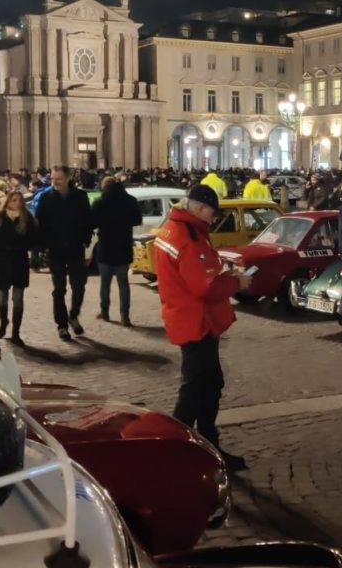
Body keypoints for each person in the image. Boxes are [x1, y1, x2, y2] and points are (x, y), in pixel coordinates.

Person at [154, 184, 252, 471]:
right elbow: (204, 287)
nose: (214, 217)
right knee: (198, 388)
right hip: (197, 321)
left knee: (205, 384)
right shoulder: (189, 237)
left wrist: (222, 271)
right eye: (212, 212)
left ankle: (199, 445)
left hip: (187, 316)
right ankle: (181, 449)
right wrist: (236, 282)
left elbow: (196, 274)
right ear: (199, 208)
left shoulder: (174, 228)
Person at [36, 165, 94, 342]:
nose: (55, 182)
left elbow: (88, 219)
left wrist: (85, 239)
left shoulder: (80, 196)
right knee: (59, 289)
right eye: (53, 179)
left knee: (79, 285)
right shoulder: (46, 198)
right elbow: (40, 223)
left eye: (59, 179)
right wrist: (42, 246)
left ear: (68, 178)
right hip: (55, 249)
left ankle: (73, 315)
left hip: (75, 247)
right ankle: (61, 325)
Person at [0, 191, 38, 346]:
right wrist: (2, 247)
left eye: (20, 200)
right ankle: (3, 322)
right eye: (14, 200)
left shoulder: (27, 218)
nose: (17, 203)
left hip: (20, 262)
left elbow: (34, 239)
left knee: (18, 298)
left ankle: (16, 332)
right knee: (2, 297)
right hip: (1, 263)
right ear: (8, 201)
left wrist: (22, 246)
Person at [92, 176, 143, 326]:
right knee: (123, 284)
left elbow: (92, 222)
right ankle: (124, 316)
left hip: (106, 246)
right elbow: (137, 220)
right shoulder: (130, 200)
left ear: (104, 186)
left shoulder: (99, 202)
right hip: (123, 246)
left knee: (105, 284)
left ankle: (105, 312)